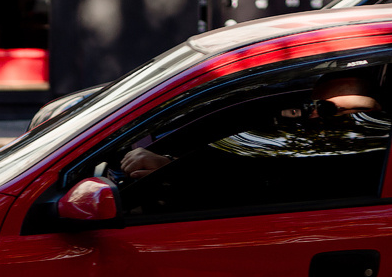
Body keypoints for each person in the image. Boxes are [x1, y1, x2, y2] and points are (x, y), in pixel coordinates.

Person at [120, 73, 384, 179]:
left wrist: (175, 173)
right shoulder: (293, 150)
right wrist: (171, 165)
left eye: (359, 111)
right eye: (316, 107)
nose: (316, 117)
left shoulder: (370, 166)